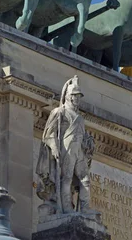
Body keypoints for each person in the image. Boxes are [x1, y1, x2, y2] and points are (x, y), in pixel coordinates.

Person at [36, 75, 94, 214]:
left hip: (78, 150)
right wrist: (55, 147)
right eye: (75, 96)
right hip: (66, 148)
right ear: (68, 97)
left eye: (79, 96)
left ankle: (85, 208)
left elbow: (83, 136)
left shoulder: (80, 117)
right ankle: (67, 208)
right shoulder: (59, 112)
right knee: (66, 178)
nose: (78, 99)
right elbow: (49, 133)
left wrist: (88, 143)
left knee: (85, 179)